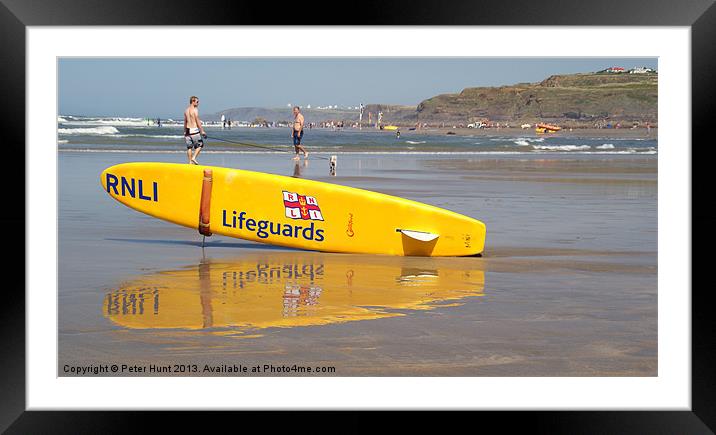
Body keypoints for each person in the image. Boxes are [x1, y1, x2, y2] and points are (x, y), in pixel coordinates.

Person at [184, 96, 207, 165]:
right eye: (197, 102)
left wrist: (185, 131)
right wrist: (202, 131)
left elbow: (185, 122)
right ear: (193, 101)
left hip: (187, 130)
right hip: (194, 130)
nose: (198, 103)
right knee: (200, 145)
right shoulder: (195, 109)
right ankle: (193, 158)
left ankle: (190, 162)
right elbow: (197, 120)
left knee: (189, 147)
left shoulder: (186, 110)